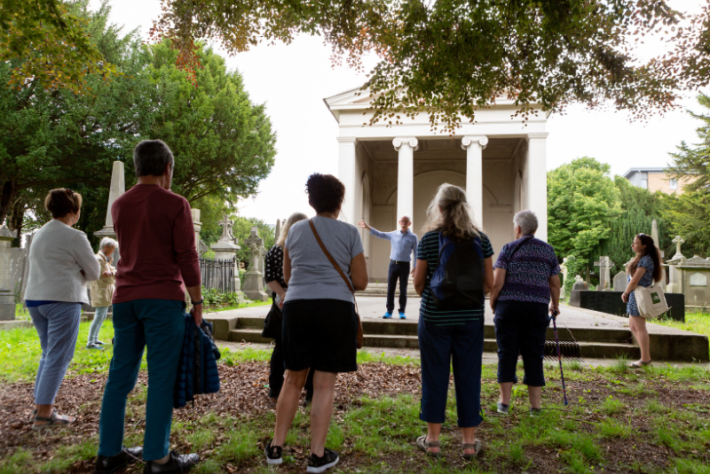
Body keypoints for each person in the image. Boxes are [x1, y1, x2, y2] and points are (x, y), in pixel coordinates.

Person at [95, 140, 202, 474]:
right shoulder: (175, 204)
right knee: (160, 379)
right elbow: (187, 255)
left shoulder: (120, 205)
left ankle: (108, 454)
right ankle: (158, 458)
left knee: (119, 378)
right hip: (162, 299)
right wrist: (197, 301)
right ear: (167, 168)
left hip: (125, 299)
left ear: (138, 166)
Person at [265, 173, 368, 473]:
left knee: (292, 379)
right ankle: (317, 456)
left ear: (312, 201)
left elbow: (288, 276)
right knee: (323, 385)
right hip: (334, 308)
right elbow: (360, 281)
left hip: (297, 307)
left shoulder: (295, 232)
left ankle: (276, 447)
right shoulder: (349, 233)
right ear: (339, 202)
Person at [412, 183, 493, 459]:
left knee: (435, 375)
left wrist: (437, 296)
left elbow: (419, 283)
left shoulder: (428, 240)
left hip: (435, 317)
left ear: (440, 207)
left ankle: (433, 441)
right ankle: (469, 444)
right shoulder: (481, 240)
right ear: (464, 206)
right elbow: (489, 284)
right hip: (470, 319)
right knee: (469, 376)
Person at [24, 188, 101, 430]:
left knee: (49, 354)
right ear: (73, 211)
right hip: (63, 300)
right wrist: (77, 270)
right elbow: (95, 272)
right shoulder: (74, 236)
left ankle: (40, 408)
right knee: (58, 356)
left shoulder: (39, 233)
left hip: (35, 299)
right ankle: (44, 415)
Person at [489, 210, 561, 416]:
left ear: (518, 228)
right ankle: (535, 406)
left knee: (506, 353)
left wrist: (494, 304)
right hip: (536, 308)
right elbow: (555, 283)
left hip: (509, 307)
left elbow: (497, 282)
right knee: (534, 354)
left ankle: (504, 403)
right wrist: (554, 305)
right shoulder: (548, 251)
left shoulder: (508, 249)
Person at [264, 212, 314, 402]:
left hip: (283, 300)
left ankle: (275, 388)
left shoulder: (275, 250)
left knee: (281, 346)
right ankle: (310, 392)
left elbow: (269, 278)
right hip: (303, 299)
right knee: (310, 346)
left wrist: (284, 295)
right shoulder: (305, 248)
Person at [358, 216, 418, 319]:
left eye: (406, 221)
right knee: (391, 288)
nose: (404, 223)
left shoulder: (413, 237)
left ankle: (402, 312)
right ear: (399, 222)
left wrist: (415, 266)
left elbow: (416, 252)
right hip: (393, 264)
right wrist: (367, 227)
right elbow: (379, 234)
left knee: (403, 289)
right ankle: (389, 311)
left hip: (405, 265)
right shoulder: (393, 234)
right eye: (402, 221)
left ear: (409, 224)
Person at [622, 233, 663, 368]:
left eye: (636, 243)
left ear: (644, 246)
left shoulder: (646, 260)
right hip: (634, 296)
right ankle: (645, 357)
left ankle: (645, 359)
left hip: (638, 295)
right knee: (633, 326)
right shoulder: (643, 258)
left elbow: (635, 280)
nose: (632, 245)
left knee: (640, 327)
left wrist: (626, 292)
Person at [87, 238, 118, 350]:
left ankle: (94, 339)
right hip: (101, 290)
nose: (113, 251)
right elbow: (107, 278)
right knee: (99, 316)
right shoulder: (99, 259)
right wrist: (112, 275)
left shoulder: (103, 259)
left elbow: (111, 272)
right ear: (106, 247)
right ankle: (90, 342)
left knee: (102, 315)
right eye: (113, 248)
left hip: (105, 291)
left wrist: (111, 269)